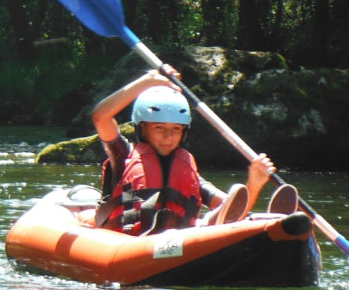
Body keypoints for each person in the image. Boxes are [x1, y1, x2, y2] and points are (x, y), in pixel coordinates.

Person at [91, 68, 280, 235]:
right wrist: (148, 81)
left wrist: (254, 184)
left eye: (176, 129)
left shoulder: (187, 169)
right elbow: (101, 117)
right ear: (142, 129)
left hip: (177, 243)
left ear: (184, 132)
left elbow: (234, 207)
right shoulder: (123, 154)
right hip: (128, 241)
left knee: (226, 207)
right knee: (218, 215)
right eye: (159, 128)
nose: (168, 137)